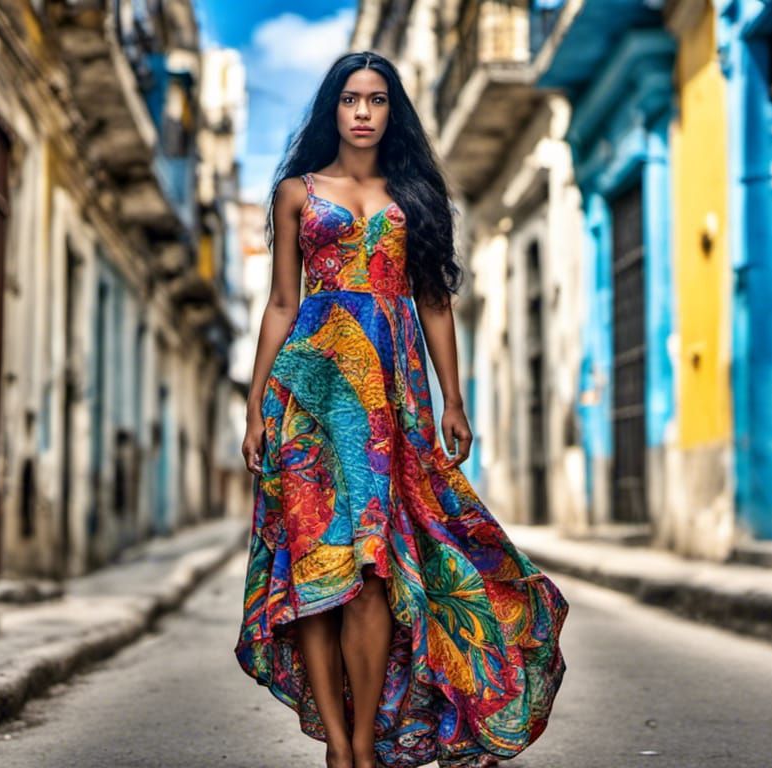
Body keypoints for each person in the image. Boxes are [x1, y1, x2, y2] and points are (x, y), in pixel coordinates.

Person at [234, 50, 569, 768]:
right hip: (310, 399)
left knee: (374, 574)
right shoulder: (297, 192)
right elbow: (282, 304)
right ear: (332, 108)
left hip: (391, 406)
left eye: (377, 99)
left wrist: (453, 398)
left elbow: (435, 303)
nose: (362, 111)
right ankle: (339, 746)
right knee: (316, 573)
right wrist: (256, 402)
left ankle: (363, 741)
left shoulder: (415, 196)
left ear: (393, 111)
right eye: (350, 98)